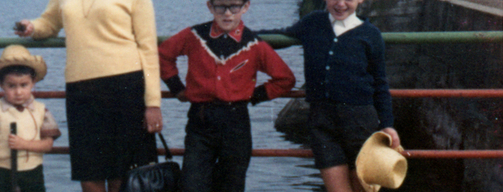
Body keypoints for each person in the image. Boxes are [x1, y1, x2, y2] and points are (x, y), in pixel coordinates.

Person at [15, 0, 162, 191]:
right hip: (81, 91)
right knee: (89, 175)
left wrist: (153, 103)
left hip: (125, 89)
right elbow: (49, 22)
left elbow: (148, 49)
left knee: (123, 175)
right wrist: (32, 27)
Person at [260, 0, 402, 191]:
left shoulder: (370, 34)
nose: (341, 4)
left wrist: (387, 124)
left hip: (360, 124)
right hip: (322, 122)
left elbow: (380, 84)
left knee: (362, 187)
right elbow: (279, 36)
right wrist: (238, 34)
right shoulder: (312, 22)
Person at [157, 0, 296, 191]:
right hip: (201, 120)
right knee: (191, 184)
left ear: (245, 7)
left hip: (236, 122)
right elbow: (163, 54)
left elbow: (285, 79)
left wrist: (254, 95)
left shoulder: (254, 44)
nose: (227, 13)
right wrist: (176, 88)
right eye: (220, 7)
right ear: (210, 7)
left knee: (231, 185)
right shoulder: (194, 35)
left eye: (234, 6)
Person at [0, 45, 62, 192]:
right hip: (1, 172)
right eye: (11, 86)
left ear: (33, 83)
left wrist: (24, 144)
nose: (18, 92)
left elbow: (48, 144)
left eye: (24, 85)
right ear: (1, 84)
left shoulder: (41, 111)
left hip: (32, 172)